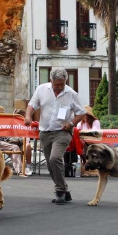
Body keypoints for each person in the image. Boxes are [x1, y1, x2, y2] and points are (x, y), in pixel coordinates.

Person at [24, 68, 85, 204]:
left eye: (62, 84)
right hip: (45, 132)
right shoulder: (41, 89)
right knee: (50, 163)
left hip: (62, 132)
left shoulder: (71, 94)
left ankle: (59, 191)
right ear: (50, 81)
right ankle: (64, 189)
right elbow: (32, 105)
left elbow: (81, 113)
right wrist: (28, 116)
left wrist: (71, 123)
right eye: (57, 84)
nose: (59, 87)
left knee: (55, 158)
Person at [0, 105, 30, 177]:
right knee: (15, 147)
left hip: (5, 140)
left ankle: (23, 167)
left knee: (23, 145)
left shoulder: (4, 121)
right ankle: (20, 170)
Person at [77, 105, 100, 177]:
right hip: (84, 142)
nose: (84, 117)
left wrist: (84, 137)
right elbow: (77, 131)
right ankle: (85, 166)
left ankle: (87, 167)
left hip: (94, 142)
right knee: (82, 145)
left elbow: (94, 132)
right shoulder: (81, 123)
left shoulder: (95, 122)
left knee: (86, 147)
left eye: (86, 115)